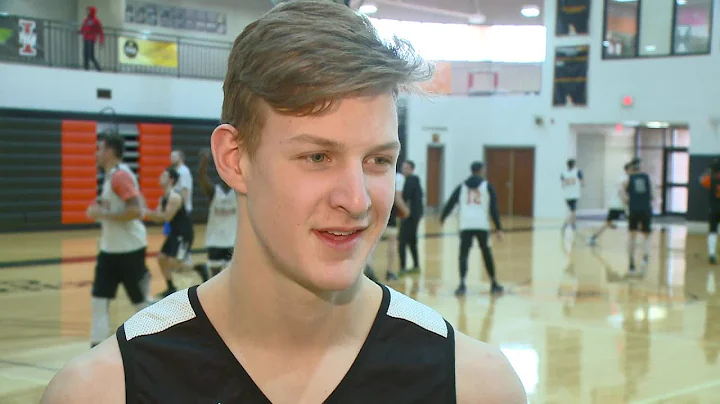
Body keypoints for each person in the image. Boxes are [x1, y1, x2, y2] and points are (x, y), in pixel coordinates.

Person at [40, 2, 526, 403]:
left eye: (378, 160)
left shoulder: (475, 385)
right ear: (235, 159)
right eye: (317, 156)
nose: (357, 200)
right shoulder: (105, 390)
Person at [85, 134, 149, 348]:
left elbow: (135, 211)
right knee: (99, 300)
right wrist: (99, 208)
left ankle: (154, 345)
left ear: (110, 152)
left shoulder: (120, 176)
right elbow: (114, 206)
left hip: (129, 250)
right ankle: (96, 348)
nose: (96, 153)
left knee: (140, 303)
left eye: (99, 149)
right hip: (110, 250)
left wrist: (103, 215)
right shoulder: (110, 175)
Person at [440, 162, 504, 296]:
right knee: (486, 253)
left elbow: (451, 202)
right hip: (481, 225)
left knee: (463, 254)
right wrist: (498, 228)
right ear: (481, 170)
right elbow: (494, 209)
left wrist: (443, 217)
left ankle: (462, 284)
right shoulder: (487, 186)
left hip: (466, 225)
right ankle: (494, 283)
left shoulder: (462, 186)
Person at [145, 167, 195, 298]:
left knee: (174, 262)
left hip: (184, 233)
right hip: (174, 232)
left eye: (164, 175)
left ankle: (199, 268)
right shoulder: (164, 198)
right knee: (162, 258)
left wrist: (147, 212)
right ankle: (171, 287)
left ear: (171, 180)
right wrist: (148, 213)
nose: (160, 177)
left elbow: (166, 216)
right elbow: (158, 218)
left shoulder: (175, 197)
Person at [194, 148, 238, 280]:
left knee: (232, 277)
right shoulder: (214, 192)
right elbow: (201, 177)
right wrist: (204, 160)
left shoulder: (238, 193)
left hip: (232, 241)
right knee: (214, 278)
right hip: (214, 241)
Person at [588, 162, 631, 246]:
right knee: (608, 223)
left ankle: (634, 240)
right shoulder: (624, 178)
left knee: (634, 222)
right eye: (631, 169)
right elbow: (621, 191)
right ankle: (594, 237)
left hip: (623, 206)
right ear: (626, 170)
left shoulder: (627, 178)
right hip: (618, 205)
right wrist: (625, 200)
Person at [622, 158, 653, 274]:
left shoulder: (629, 179)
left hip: (634, 209)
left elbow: (624, 195)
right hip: (645, 209)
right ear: (640, 167)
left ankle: (631, 262)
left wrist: (628, 200)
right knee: (646, 235)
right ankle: (645, 256)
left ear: (631, 168)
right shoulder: (647, 177)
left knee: (632, 235)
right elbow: (652, 196)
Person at [398, 160, 423, 273]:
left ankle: (403, 267)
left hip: (410, 215)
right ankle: (416, 265)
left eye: (407, 168)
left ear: (412, 169)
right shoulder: (415, 180)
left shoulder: (411, 180)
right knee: (412, 241)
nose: (404, 170)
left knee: (402, 241)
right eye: (403, 168)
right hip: (414, 215)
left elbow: (404, 195)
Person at [700, 158, 720, 264]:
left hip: (713, 209)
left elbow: (701, 180)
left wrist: (708, 170)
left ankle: (711, 254)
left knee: (712, 232)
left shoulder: (710, 179)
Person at [560, 158, 583, 231]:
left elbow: (563, 185)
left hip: (567, 195)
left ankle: (573, 224)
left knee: (573, 210)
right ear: (574, 165)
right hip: (574, 194)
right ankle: (565, 223)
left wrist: (568, 183)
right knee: (572, 211)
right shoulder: (578, 171)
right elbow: (582, 182)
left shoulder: (563, 173)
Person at [79, 6, 104, 71]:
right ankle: (86, 69)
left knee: (91, 55)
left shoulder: (96, 21)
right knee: (85, 54)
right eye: (87, 11)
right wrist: (79, 32)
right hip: (86, 38)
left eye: (89, 11)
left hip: (91, 39)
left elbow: (100, 31)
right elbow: (83, 29)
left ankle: (99, 69)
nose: (87, 12)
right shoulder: (86, 20)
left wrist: (101, 41)